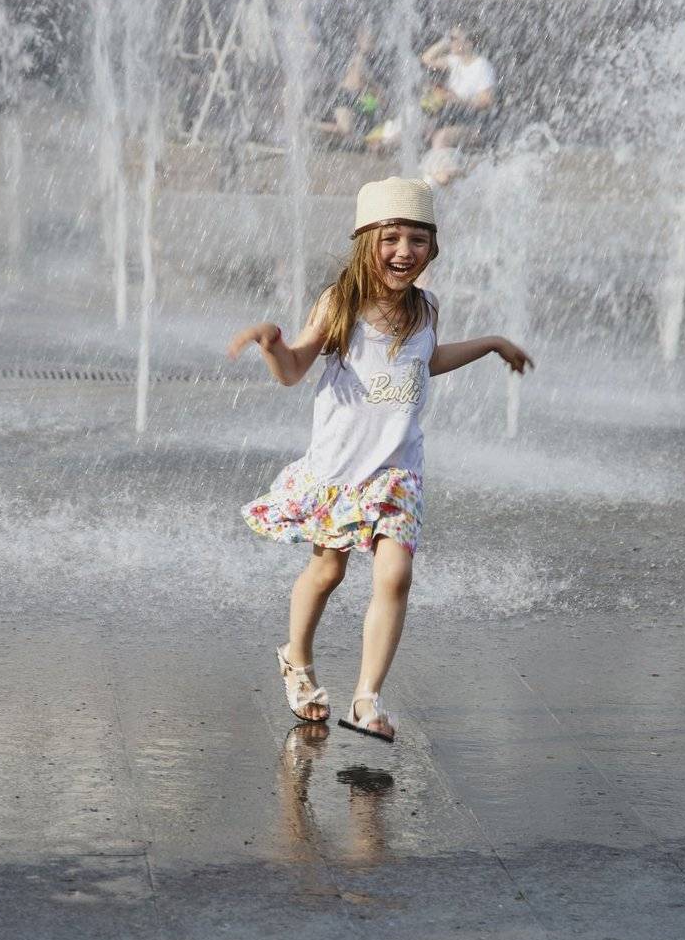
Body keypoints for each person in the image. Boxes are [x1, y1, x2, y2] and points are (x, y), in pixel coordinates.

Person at [227, 177, 532, 741]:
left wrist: (490, 343)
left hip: (397, 472)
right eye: (391, 238)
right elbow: (294, 370)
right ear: (367, 242)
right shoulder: (339, 303)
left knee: (396, 574)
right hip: (340, 471)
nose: (404, 251)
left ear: (432, 247)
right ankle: (297, 657)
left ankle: (366, 699)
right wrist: (273, 346)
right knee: (328, 571)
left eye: (417, 239)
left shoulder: (426, 308)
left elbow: (424, 362)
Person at [419, 24, 497, 151]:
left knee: (440, 138)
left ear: (469, 43)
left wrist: (458, 101)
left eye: (454, 39)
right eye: (450, 38)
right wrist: (445, 41)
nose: (451, 42)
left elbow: (487, 101)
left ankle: (441, 163)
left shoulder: (482, 66)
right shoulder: (454, 61)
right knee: (417, 128)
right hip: (454, 117)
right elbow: (426, 59)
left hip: (475, 124)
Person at [316, 23, 393, 149]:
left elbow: (365, 82)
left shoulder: (365, 59)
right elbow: (360, 82)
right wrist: (376, 92)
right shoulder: (359, 58)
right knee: (346, 130)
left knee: (349, 131)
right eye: (370, 41)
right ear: (360, 40)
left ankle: (322, 136)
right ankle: (310, 125)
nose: (373, 45)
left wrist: (376, 91)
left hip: (352, 97)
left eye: (374, 42)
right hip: (345, 96)